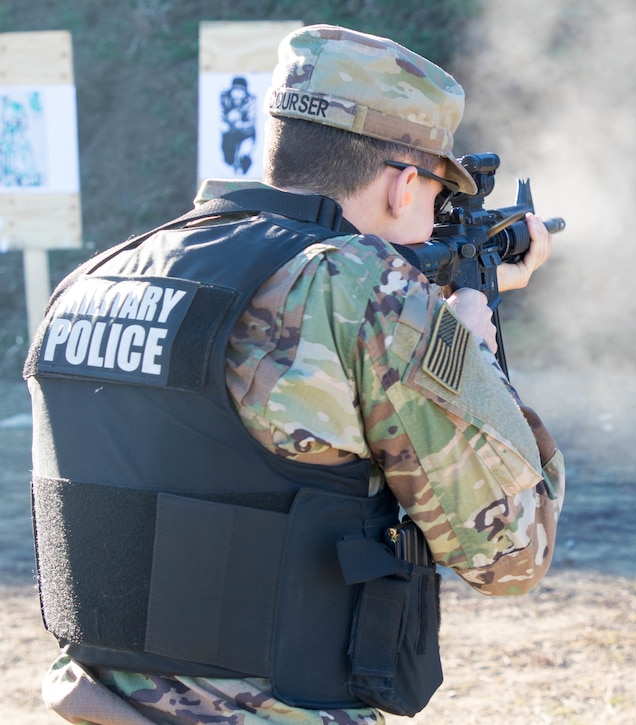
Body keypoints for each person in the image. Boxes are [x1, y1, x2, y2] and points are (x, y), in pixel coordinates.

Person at [26, 24, 564, 725]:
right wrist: (471, 355)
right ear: (405, 185)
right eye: (438, 193)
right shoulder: (365, 293)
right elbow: (512, 551)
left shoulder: (96, 278)